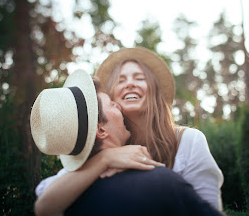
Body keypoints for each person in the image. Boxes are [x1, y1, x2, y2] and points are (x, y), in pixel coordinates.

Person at [32, 69, 225, 216]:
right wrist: (105, 158)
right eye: (112, 104)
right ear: (100, 130)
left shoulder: (70, 194)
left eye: (139, 78)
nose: (119, 106)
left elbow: (42, 206)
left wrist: (102, 160)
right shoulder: (162, 183)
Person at [94, 47, 224, 210]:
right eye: (120, 80)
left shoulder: (189, 141)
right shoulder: (104, 145)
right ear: (111, 97)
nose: (130, 84)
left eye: (139, 78)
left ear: (154, 91)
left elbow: (210, 208)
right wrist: (103, 159)